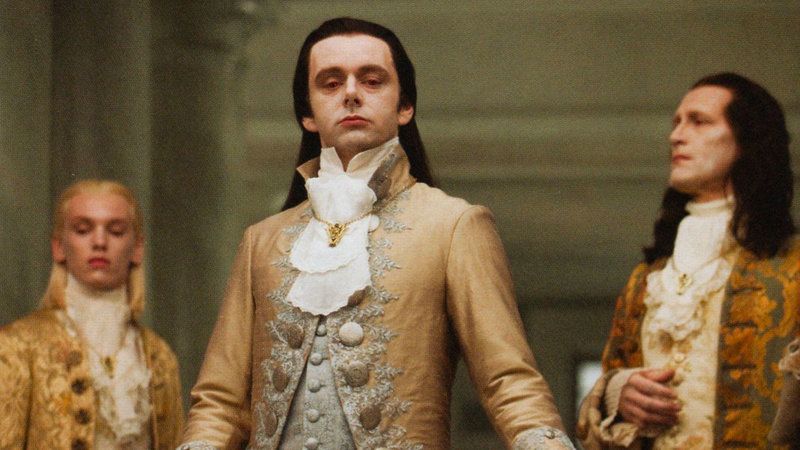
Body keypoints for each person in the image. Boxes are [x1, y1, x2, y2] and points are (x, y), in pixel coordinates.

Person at [180, 17, 573, 450]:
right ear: (308, 114)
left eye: (371, 80)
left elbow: (508, 382)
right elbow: (221, 403)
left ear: (405, 106)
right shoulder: (261, 241)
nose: (351, 93)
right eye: (331, 83)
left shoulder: (453, 226)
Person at [577, 72, 799, 449]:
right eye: (677, 122)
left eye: (699, 121)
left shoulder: (792, 266)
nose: (676, 135)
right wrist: (618, 392)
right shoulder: (645, 281)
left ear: (747, 139)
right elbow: (612, 373)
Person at [0, 179, 184, 449]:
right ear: (58, 246)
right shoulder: (17, 346)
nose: (99, 242)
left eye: (116, 231)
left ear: (137, 248)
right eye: (83, 230)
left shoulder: (159, 356)